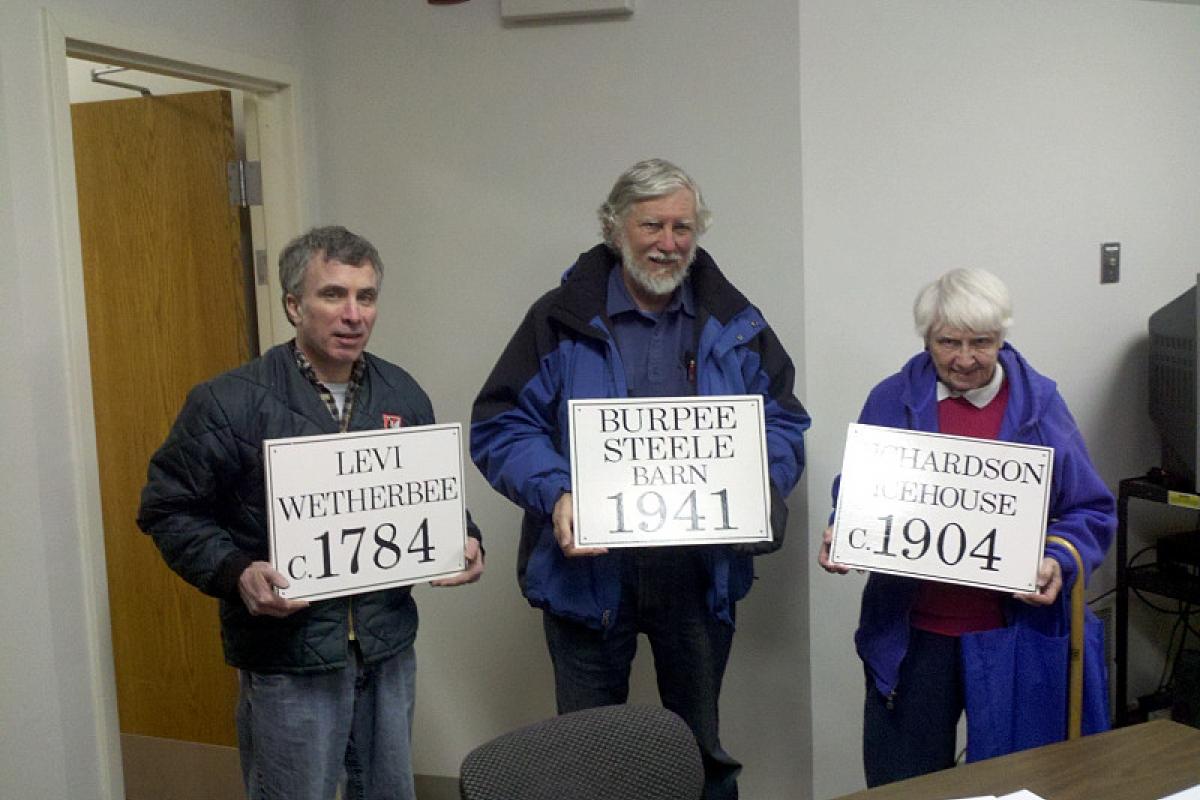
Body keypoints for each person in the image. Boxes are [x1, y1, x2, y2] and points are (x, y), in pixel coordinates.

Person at [470, 158, 810, 799]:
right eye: (652, 224)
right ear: (614, 227)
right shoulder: (556, 320)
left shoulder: (737, 323)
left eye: (683, 226)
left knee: (700, 752)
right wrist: (558, 492)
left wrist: (760, 484)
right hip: (587, 574)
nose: (669, 242)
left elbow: (783, 422)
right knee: (590, 764)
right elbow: (501, 426)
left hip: (699, 572)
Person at [137, 225, 484, 800]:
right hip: (288, 659)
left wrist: (465, 539)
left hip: (386, 649)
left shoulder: (402, 393)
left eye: (365, 297)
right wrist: (236, 572)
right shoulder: (229, 402)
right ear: (294, 305)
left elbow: (428, 496)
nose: (353, 314)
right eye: (333, 295)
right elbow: (169, 509)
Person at [818, 267, 1115, 787]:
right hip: (913, 639)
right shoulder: (891, 398)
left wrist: (1057, 558)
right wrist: (844, 530)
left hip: (1008, 639)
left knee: (1011, 786)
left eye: (983, 342)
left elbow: (1090, 510)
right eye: (948, 342)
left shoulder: (1040, 405)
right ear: (926, 338)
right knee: (907, 787)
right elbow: (860, 494)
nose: (965, 359)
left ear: (1003, 336)